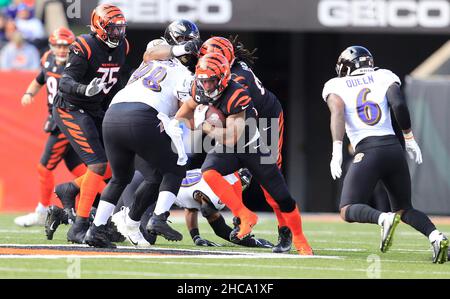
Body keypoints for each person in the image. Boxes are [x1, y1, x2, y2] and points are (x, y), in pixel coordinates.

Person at [173, 52, 313, 255]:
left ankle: (299, 238)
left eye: (211, 81)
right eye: (203, 81)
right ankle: (244, 214)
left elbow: (232, 136)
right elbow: (186, 109)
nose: (207, 86)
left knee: (282, 198)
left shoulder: (237, 93)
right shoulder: (199, 87)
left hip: (250, 146)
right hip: (228, 147)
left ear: (222, 77)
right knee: (209, 172)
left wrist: (205, 126)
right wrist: (176, 124)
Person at [323, 45, 448, 264]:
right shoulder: (384, 76)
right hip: (393, 149)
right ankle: (436, 236)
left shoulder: (336, 85)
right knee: (405, 208)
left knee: (347, 209)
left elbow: (338, 112)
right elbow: (398, 104)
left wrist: (336, 149)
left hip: (367, 151)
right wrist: (409, 138)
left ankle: (383, 218)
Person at [83, 38, 193, 248]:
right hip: (143, 116)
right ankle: (158, 218)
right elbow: (184, 110)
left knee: (122, 178)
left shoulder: (147, 62)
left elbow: (152, 52)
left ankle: (97, 229)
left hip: (113, 114)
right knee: (176, 169)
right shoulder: (184, 74)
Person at [198, 36, 292, 253]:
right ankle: (242, 218)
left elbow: (241, 121)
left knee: (270, 178)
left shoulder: (238, 78)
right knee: (224, 171)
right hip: (240, 121)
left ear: (227, 60)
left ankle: (285, 230)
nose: (207, 63)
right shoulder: (216, 72)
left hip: (263, 119)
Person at [51, 4, 129, 244]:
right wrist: (84, 89)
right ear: (99, 27)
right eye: (113, 29)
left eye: (120, 28)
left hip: (96, 108)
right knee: (97, 165)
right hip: (71, 108)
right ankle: (79, 226)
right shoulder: (83, 45)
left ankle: (71, 189)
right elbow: (65, 81)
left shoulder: (123, 46)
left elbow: (117, 81)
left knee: (116, 167)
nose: (118, 34)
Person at [13, 27, 87, 228]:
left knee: (44, 168)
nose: (62, 50)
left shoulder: (76, 65)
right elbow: (39, 80)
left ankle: (42, 210)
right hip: (56, 118)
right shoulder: (47, 59)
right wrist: (29, 93)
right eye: (58, 45)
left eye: (66, 46)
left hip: (67, 119)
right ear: (51, 46)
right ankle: (90, 211)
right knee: (82, 171)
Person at [114, 167, 273, 248]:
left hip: (143, 182)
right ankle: (116, 218)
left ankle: (102, 221)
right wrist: (252, 242)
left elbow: (191, 208)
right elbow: (218, 227)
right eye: (240, 183)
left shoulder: (212, 177)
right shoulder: (217, 193)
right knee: (147, 237)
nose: (240, 187)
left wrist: (196, 237)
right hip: (145, 186)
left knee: (115, 234)